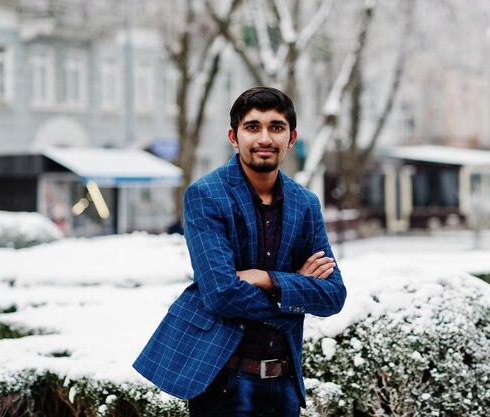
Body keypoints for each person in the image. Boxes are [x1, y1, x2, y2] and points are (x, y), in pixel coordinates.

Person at [133, 87, 346, 416]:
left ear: (291, 138)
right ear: (234, 136)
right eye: (253, 127)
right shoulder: (206, 195)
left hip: (284, 381)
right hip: (223, 381)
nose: (264, 137)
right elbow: (221, 293)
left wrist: (266, 279)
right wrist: (294, 291)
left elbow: (333, 295)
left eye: (276, 127)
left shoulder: (306, 203)